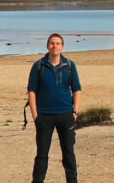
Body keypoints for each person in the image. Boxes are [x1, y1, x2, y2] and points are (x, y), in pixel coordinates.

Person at [27, 33, 82, 183]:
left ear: (62, 46)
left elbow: (77, 89)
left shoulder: (70, 65)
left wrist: (75, 112)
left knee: (69, 153)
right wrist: (35, 115)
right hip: (44, 116)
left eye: (57, 43)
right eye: (52, 43)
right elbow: (31, 91)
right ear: (47, 46)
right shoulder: (38, 66)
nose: (54, 46)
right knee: (42, 155)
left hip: (66, 115)